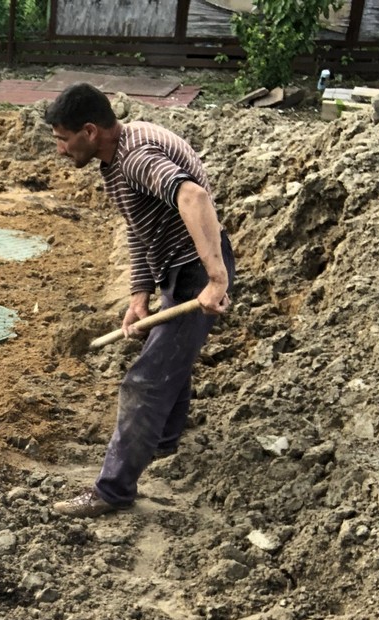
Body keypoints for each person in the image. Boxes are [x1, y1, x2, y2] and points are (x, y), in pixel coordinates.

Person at [44, 83, 236, 518]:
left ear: (89, 131)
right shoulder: (119, 154)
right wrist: (139, 295)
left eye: (63, 139)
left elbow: (193, 196)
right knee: (170, 357)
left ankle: (112, 492)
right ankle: (163, 442)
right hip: (179, 267)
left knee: (145, 381)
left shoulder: (136, 159)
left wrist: (216, 278)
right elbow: (140, 227)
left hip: (196, 271)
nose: (60, 150)